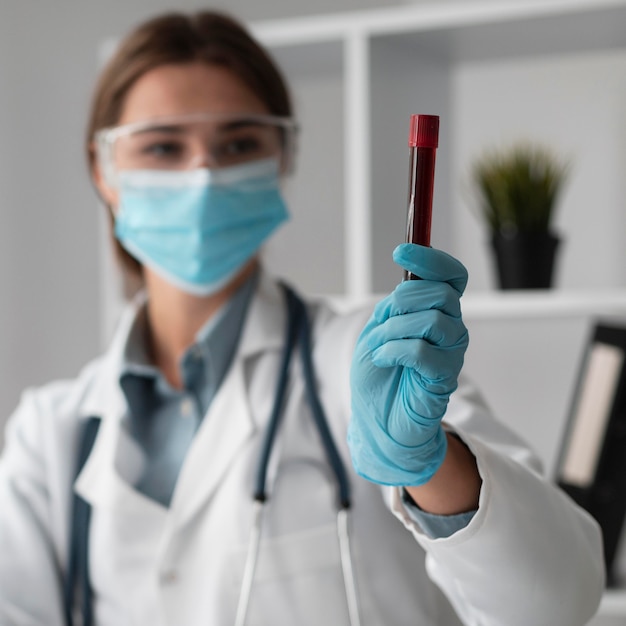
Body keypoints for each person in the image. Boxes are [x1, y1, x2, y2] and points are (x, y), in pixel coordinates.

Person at [0, 10, 605, 626]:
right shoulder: (50, 438)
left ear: (283, 157)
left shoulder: (365, 358)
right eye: (163, 145)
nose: (204, 174)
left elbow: (554, 604)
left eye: (239, 144)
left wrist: (427, 465)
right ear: (104, 169)